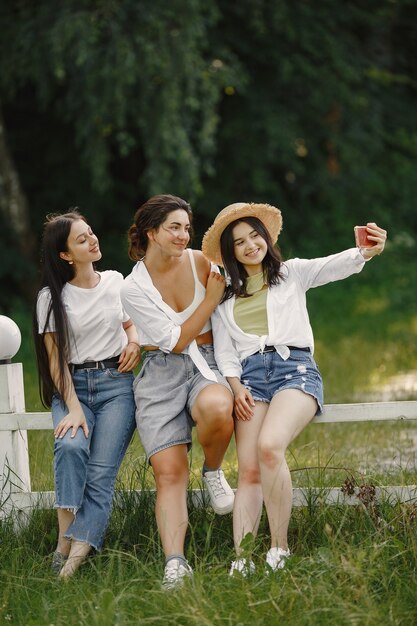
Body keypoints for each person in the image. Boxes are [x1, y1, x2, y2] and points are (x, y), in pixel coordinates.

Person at [202, 202, 387, 576]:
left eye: (255, 235)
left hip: (295, 371)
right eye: (239, 242)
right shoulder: (223, 300)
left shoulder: (291, 273)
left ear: (266, 238)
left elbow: (333, 265)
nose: (251, 245)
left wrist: (364, 252)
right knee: (248, 470)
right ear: (231, 253)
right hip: (250, 380)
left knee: (270, 447)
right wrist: (235, 387)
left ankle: (278, 548)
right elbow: (225, 353)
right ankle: (242, 558)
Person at [120, 194, 235, 589]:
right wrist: (213, 298)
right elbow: (174, 341)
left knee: (219, 407)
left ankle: (214, 470)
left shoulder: (200, 262)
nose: (184, 234)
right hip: (160, 373)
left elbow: (239, 294)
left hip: (207, 361)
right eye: (174, 227)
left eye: (187, 227)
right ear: (151, 232)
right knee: (169, 473)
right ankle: (175, 562)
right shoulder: (132, 288)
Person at [33, 210, 140, 578]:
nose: (92, 240)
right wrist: (74, 409)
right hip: (72, 385)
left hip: (116, 386)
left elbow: (131, 324)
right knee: (71, 447)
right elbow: (55, 362)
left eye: (90, 233)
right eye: (82, 239)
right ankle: (67, 538)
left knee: (101, 474)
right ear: (66, 255)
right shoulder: (52, 297)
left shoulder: (115, 282)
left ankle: (72, 560)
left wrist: (135, 341)